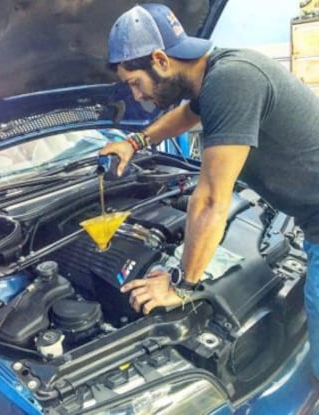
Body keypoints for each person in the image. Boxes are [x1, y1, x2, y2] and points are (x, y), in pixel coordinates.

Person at [99, 3, 319, 379]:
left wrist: (181, 287)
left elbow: (213, 201)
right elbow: (190, 113)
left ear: (160, 59)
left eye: (135, 83)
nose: (136, 97)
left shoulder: (233, 80)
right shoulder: (220, 72)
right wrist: (136, 142)